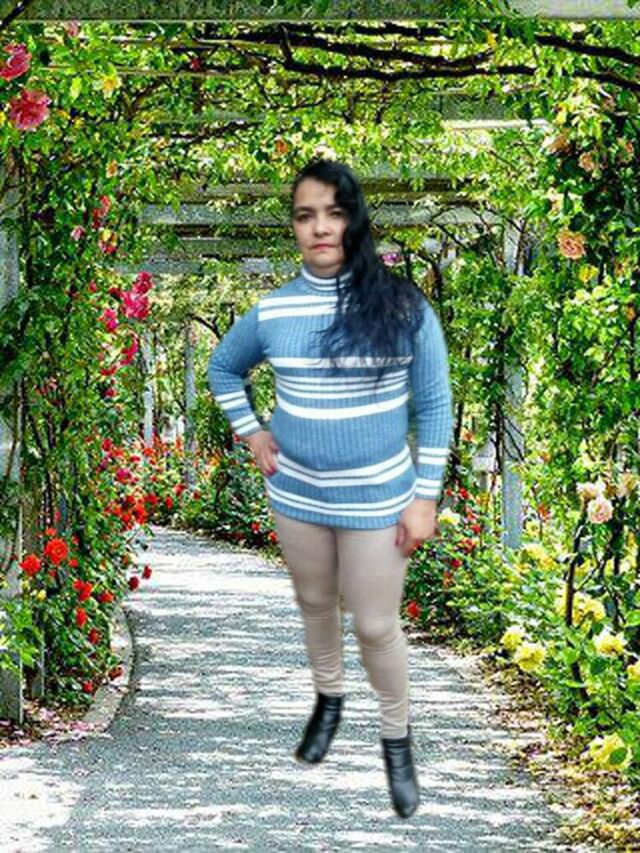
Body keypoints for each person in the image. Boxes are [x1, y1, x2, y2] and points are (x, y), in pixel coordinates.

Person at [207, 158, 454, 819]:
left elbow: (435, 405)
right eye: (306, 215)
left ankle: (397, 738)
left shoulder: (403, 306)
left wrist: (425, 495)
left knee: (375, 624)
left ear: (355, 220)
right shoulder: (274, 309)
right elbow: (224, 368)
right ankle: (329, 696)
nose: (320, 227)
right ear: (294, 226)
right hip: (298, 495)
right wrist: (252, 433)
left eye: (334, 213)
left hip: (378, 498)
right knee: (315, 601)